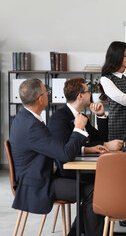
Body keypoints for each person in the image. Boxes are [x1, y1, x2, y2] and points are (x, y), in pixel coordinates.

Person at [9, 78, 104, 236]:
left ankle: (77, 231)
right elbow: (65, 154)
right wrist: (79, 128)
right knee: (94, 191)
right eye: (46, 92)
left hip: (43, 175)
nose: (48, 95)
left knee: (94, 185)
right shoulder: (32, 126)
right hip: (39, 183)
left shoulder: (25, 118)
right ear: (40, 98)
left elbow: (59, 149)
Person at [48, 78, 123, 178]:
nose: (90, 94)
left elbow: (100, 138)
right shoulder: (59, 118)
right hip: (72, 172)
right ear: (80, 96)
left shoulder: (82, 116)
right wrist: (105, 145)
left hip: (87, 167)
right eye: (88, 91)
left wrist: (101, 116)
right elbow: (65, 149)